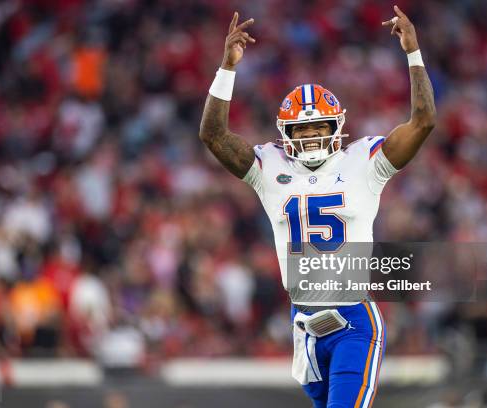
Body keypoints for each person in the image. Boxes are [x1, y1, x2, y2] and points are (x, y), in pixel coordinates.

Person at [199, 6, 435, 408]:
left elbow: (423, 121)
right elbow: (213, 134)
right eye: (302, 129)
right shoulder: (269, 166)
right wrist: (227, 68)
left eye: (319, 128)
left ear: (337, 128)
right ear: (286, 133)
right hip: (304, 325)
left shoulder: (365, 161)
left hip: (353, 321)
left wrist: (413, 54)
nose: (310, 136)